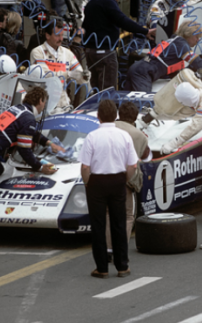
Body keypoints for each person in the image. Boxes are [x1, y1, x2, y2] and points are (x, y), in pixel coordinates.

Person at [0, 87, 63, 249]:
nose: (45, 106)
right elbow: (24, 149)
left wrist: (49, 143)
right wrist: (39, 167)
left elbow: (28, 131)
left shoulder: (18, 109)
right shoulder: (29, 117)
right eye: (45, 102)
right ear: (41, 101)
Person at [79, 99, 138, 278]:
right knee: (119, 223)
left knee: (98, 225)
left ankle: (102, 268)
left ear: (98, 117)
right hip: (118, 179)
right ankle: (122, 266)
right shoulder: (124, 136)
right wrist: (123, 179)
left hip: (97, 182)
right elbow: (133, 165)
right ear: (115, 116)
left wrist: (88, 183)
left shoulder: (92, 137)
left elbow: (85, 167)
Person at [82, 0, 155, 90]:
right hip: (105, 53)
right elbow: (123, 20)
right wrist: (144, 31)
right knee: (107, 90)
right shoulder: (109, 3)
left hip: (90, 52)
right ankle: (106, 108)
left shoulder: (91, 3)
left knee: (95, 88)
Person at [125, 20, 202, 92]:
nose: (198, 40)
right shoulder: (181, 45)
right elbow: (199, 63)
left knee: (127, 105)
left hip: (137, 69)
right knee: (144, 105)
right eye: (197, 37)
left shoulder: (173, 40)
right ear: (189, 34)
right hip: (143, 73)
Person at [106, 101, 150, 256]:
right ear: (136, 116)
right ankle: (120, 248)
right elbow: (145, 156)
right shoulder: (139, 135)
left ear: (119, 113)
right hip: (124, 178)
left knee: (108, 214)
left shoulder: (107, 127)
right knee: (127, 215)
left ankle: (109, 248)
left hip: (103, 175)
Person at [31, 16, 90, 111]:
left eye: (62, 35)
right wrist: (69, 74)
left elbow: (80, 76)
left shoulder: (68, 53)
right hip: (43, 105)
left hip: (64, 104)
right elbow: (46, 75)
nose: (61, 39)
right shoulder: (37, 52)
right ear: (47, 36)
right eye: (57, 35)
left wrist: (84, 75)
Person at [159, 83, 202, 155]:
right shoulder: (198, 96)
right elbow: (180, 114)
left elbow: (195, 126)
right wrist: (157, 115)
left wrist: (173, 143)